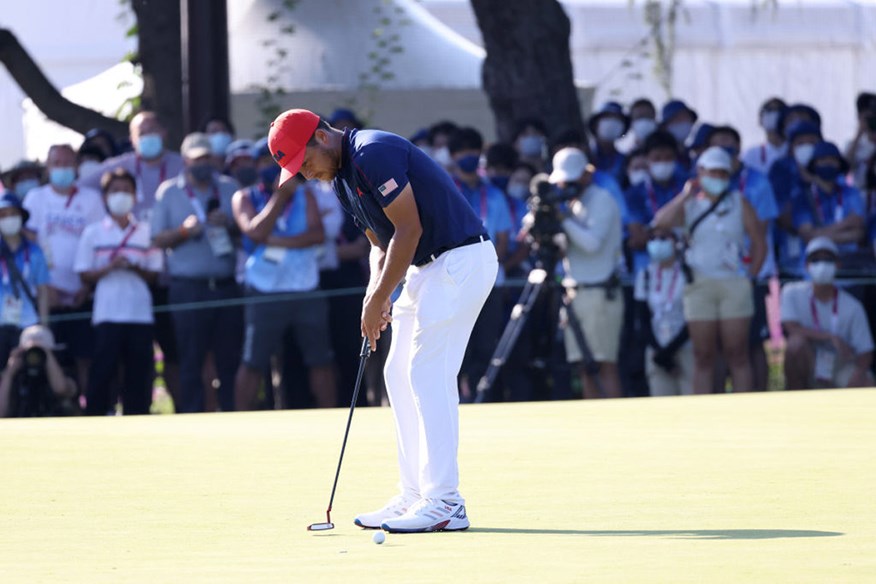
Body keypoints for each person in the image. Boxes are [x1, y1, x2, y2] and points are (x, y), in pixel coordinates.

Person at [268, 108, 496, 532]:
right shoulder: (340, 180)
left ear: (321, 136)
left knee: (427, 373)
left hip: (461, 259)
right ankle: (414, 495)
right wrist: (373, 296)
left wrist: (379, 296)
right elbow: (380, 244)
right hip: (425, 269)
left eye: (304, 162)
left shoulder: (373, 152)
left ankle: (446, 501)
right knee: (396, 374)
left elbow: (408, 229)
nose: (305, 174)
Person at [79, 111, 185, 405]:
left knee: (167, 356)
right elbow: (81, 183)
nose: (149, 137)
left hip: (168, 280)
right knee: (107, 363)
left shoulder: (180, 164)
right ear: (132, 139)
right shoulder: (119, 167)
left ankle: (179, 410)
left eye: (153, 129)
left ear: (164, 132)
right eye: (142, 132)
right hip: (114, 306)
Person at [652, 147, 766, 394]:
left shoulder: (739, 202)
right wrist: (684, 196)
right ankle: (706, 411)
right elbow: (660, 223)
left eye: (722, 173)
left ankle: (743, 409)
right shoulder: (690, 204)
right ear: (700, 173)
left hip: (734, 283)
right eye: (712, 172)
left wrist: (751, 277)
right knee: (703, 355)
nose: (717, 178)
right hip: (699, 284)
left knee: (737, 353)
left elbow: (759, 241)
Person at [231, 159, 336, 411]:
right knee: (253, 360)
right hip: (264, 290)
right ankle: (238, 419)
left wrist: (275, 242)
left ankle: (332, 416)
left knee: (320, 359)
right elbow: (255, 232)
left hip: (305, 287)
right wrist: (280, 197)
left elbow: (317, 234)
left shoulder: (305, 194)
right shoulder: (244, 197)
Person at [150, 132, 243, 413]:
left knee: (230, 361)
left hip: (225, 286)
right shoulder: (169, 192)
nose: (203, 163)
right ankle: (190, 417)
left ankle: (233, 419)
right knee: (190, 361)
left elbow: (248, 231)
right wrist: (183, 232)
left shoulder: (228, 187)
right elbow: (157, 239)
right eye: (197, 158)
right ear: (186, 161)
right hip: (188, 288)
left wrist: (228, 224)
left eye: (207, 157)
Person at [75, 168, 163, 415]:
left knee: (139, 374)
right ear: (104, 197)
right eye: (115, 191)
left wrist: (134, 267)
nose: (121, 196)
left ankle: (139, 417)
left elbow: (154, 275)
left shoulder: (146, 231)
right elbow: (83, 273)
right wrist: (109, 268)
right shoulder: (93, 232)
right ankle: (95, 417)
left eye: (126, 191)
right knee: (102, 371)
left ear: (135, 196)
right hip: (106, 313)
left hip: (139, 314)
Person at [23, 144, 106, 395]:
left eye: (67, 163)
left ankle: (87, 411)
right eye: (56, 164)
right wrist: (45, 287)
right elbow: (30, 246)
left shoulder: (90, 199)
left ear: (77, 166)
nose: (62, 169)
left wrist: (87, 285)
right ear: (48, 168)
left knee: (86, 358)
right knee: (48, 358)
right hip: (47, 296)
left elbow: (99, 244)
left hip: (84, 293)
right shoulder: (35, 199)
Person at [550, 147, 624, 399]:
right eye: (563, 181)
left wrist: (562, 219)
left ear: (587, 175)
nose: (567, 185)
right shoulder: (572, 204)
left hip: (599, 292)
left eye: (572, 179)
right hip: (576, 293)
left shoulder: (602, 199)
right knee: (583, 367)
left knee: (603, 365)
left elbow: (592, 244)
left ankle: (613, 423)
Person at [447, 127, 512, 402]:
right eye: (463, 152)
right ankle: (455, 402)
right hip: (454, 283)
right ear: (453, 156)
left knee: (486, 347)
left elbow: (504, 240)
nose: (469, 157)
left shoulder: (494, 195)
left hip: (489, 282)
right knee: (457, 349)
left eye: (474, 151)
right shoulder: (447, 190)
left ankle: (485, 401)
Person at [781, 237, 873, 389]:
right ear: (806, 265)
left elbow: (865, 351)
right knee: (795, 344)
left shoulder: (853, 306)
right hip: (809, 359)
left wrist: (859, 373)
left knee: (866, 382)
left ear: (838, 265)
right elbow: (791, 327)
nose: (822, 265)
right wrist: (830, 336)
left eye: (828, 259)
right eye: (815, 259)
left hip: (839, 364)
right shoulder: (791, 292)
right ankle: (796, 403)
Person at [634, 228, 693, 396]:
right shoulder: (645, 275)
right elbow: (643, 319)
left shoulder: (687, 273)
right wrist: (661, 354)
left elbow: (693, 318)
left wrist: (670, 352)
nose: (657, 242)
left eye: (663, 237)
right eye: (653, 237)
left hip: (686, 347)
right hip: (656, 351)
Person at [0, 193, 50, 366]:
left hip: (29, 325)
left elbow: (43, 290)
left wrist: (43, 326)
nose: (8, 219)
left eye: (13, 214)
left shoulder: (35, 251)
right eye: (3, 215)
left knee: (30, 374)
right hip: (1, 324)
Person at [0, 325, 77, 417]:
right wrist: (9, 374)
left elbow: (60, 389)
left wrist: (46, 354)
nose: (34, 357)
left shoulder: (65, 371)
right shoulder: (16, 375)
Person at [741, 97, 788, 176]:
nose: (773, 114)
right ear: (760, 120)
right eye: (769, 110)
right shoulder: (751, 154)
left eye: (778, 110)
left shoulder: (794, 151)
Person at [588, 102, 629, 185]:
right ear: (596, 124)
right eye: (607, 117)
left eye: (617, 119)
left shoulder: (625, 161)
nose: (611, 123)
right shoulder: (586, 156)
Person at [845, 92, 876, 191]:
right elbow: (845, 167)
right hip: (861, 196)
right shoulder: (852, 145)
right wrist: (859, 134)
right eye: (868, 118)